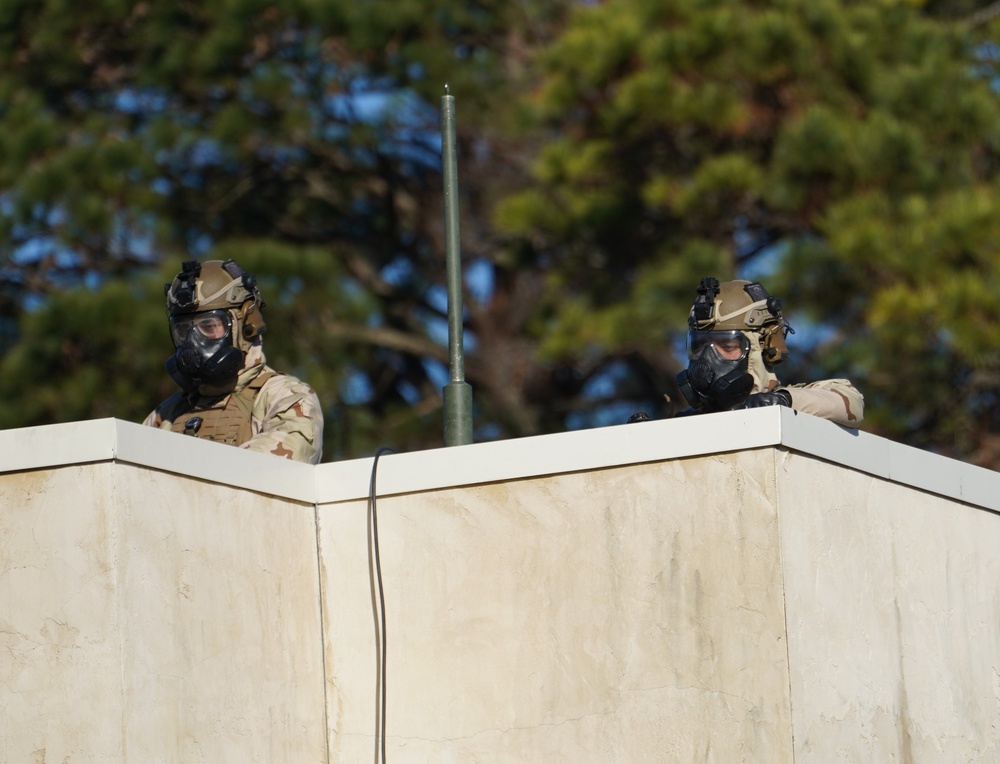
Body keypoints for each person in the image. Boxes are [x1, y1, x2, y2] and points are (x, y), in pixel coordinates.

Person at [143, 259, 324, 463]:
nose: (192, 343)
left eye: (209, 326)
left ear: (246, 326)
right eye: (183, 330)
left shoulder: (286, 397)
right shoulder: (167, 414)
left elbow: (272, 471)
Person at [650, 277, 863, 426]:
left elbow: (850, 402)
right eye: (699, 347)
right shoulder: (687, 422)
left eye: (728, 346)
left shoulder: (789, 403)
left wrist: (779, 402)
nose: (707, 361)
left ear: (766, 346)